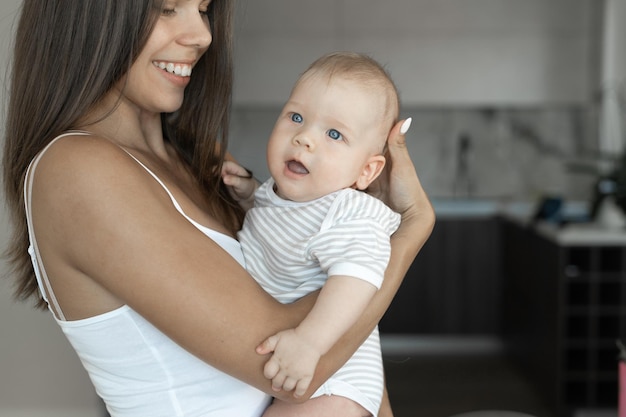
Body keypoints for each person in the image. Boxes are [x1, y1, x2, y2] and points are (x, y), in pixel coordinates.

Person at [2, 1, 435, 417]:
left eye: (204, 9)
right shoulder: (78, 169)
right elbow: (290, 369)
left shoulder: (193, 155)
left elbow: (349, 357)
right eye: (167, 8)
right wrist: (410, 230)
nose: (202, 35)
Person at [222, 52, 404, 417]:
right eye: (296, 117)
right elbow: (279, 237)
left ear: (367, 171)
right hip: (304, 375)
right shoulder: (279, 195)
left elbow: (359, 278)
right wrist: (248, 195)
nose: (304, 138)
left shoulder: (348, 212)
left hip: (336, 384)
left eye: (334, 134)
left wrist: (310, 342)